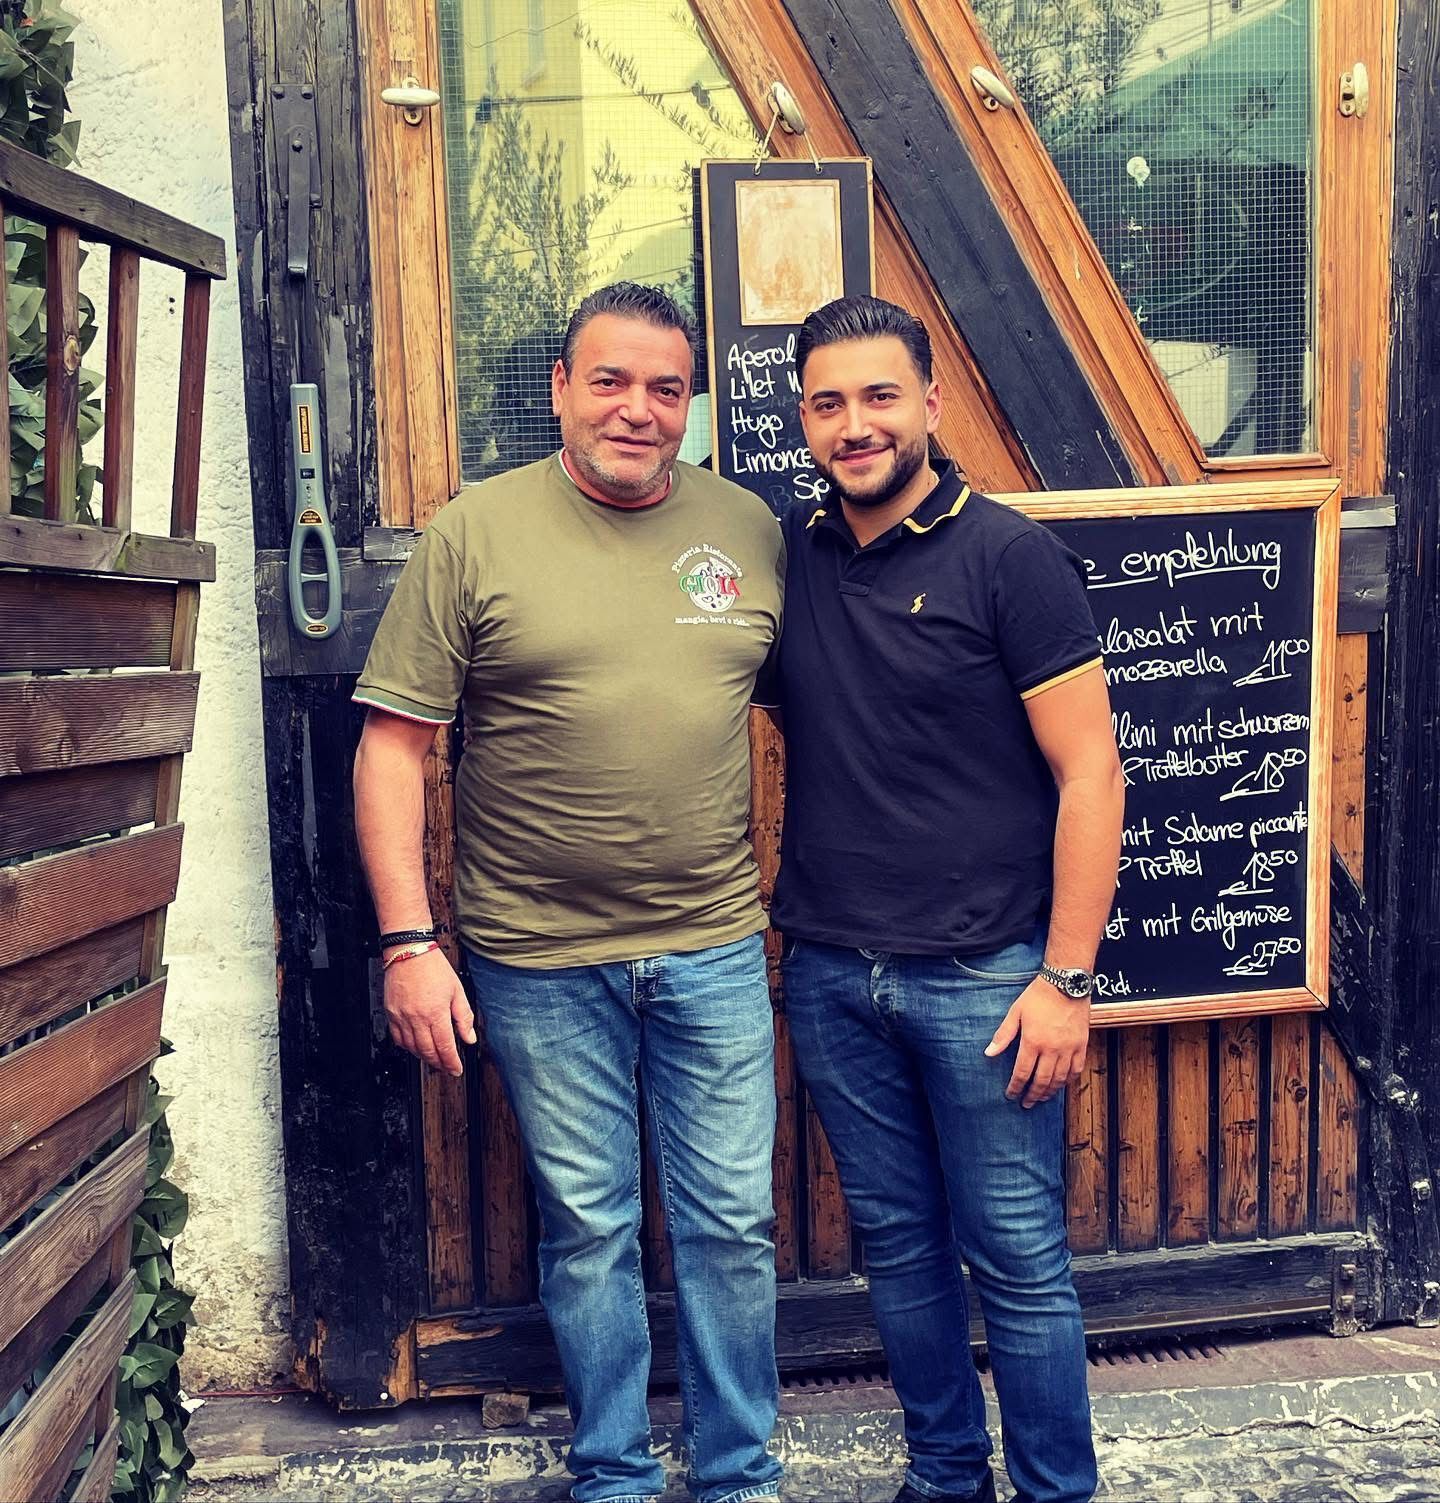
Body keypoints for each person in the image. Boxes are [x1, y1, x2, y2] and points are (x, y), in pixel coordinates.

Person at [351, 281, 785, 1503]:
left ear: (692, 403)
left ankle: (740, 1474)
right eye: (610, 381)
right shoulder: (474, 533)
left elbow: (831, 707)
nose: (637, 409)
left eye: (666, 388)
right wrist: (408, 944)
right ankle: (614, 1473)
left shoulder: (748, 529)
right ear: (559, 388)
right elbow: (393, 749)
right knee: (590, 1229)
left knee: (732, 1226)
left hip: (712, 943)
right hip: (536, 957)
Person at [756, 295, 1123, 1503]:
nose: (855, 424)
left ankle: (1058, 1491)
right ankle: (947, 1477)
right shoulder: (793, 557)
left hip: (986, 979)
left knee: (1016, 1258)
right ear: (803, 418)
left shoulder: (1010, 557)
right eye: (828, 403)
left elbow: (1091, 775)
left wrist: (1065, 981)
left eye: (879, 396)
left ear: (930, 400)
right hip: (830, 972)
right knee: (901, 1255)